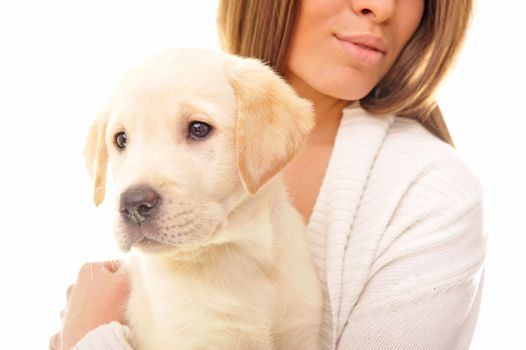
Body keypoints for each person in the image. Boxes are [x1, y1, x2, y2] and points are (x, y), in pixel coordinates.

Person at [51, 0, 487, 349]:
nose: (379, 6)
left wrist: (91, 338)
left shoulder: (431, 192)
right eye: (122, 140)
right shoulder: (188, 83)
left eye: (198, 130)